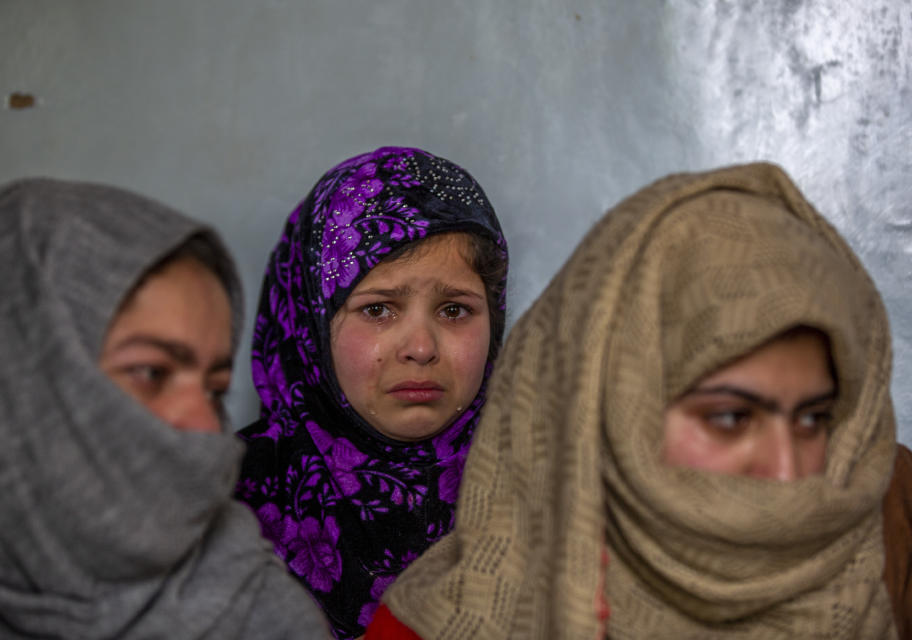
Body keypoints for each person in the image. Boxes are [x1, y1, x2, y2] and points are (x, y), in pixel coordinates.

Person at [370, 162, 910, 638]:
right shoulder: (453, 620)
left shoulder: (889, 522)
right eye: (729, 417)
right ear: (604, 409)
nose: (789, 471)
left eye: (814, 418)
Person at [0, 178, 329, 639]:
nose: (206, 426)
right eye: (151, 373)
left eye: (216, 391)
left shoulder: (259, 615)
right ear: (1, 381)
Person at [235, 146, 507, 638]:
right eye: (379, 309)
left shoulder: (560, 503)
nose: (421, 348)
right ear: (309, 324)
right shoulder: (212, 513)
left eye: (454, 310)